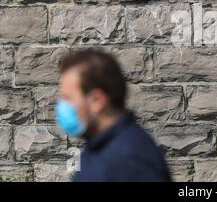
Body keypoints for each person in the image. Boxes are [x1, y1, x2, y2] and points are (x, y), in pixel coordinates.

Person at [56, 48, 172, 182]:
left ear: (97, 101)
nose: (62, 106)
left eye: (68, 98)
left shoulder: (130, 159)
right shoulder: (99, 146)